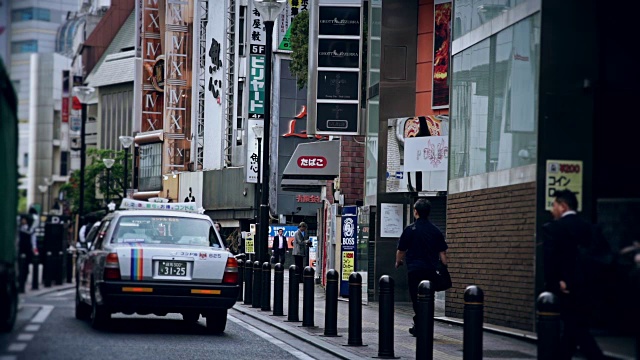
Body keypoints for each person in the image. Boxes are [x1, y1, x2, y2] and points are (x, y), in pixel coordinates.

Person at [543, 189, 604, 360]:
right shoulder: (590, 228)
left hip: (565, 291)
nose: (551, 209)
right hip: (587, 290)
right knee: (574, 331)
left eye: (554, 205)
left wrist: (555, 285)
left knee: (577, 331)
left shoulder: (553, 229)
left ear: (563, 206)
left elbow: (550, 262)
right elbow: (601, 258)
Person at [395, 199, 448, 336]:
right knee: (428, 298)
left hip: (414, 270)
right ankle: (423, 325)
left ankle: (419, 325)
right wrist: (444, 267)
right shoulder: (435, 231)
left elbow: (401, 250)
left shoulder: (410, 229)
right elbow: (442, 253)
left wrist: (398, 262)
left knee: (416, 298)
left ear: (415, 212)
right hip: (430, 270)